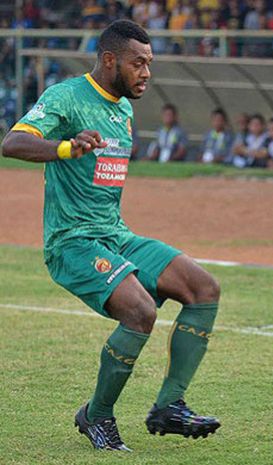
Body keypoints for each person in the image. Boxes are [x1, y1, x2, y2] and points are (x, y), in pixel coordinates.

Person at [2, 20, 221, 451]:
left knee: (204, 288)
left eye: (149, 64)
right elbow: (12, 144)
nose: (146, 72)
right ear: (109, 60)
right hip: (72, 242)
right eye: (138, 63)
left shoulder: (123, 108)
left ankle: (169, 406)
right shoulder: (66, 96)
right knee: (140, 312)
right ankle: (97, 415)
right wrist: (65, 147)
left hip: (115, 235)